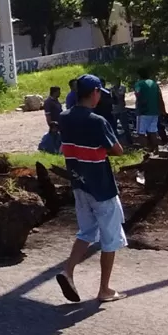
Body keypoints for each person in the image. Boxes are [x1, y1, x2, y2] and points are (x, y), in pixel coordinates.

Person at [56, 75, 127, 304]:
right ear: (95, 92)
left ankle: (68, 271)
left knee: (86, 232)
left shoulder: (64, 117)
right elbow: (117, 150)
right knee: (110, 239)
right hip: (102, 188)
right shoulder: (97, 121)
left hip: (79, 185)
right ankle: (104, 289)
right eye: (99, 93)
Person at [133, 68, 163, 151]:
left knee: (141, 133)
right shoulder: (154, 83)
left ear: (139, 75)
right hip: (154, 111)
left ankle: (145, 151)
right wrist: (162, 110)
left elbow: (138, 94)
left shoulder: (138, 84)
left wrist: (140, 107)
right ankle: (155, 150)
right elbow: (160, 97)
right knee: (152, 132)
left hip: (143, 112)